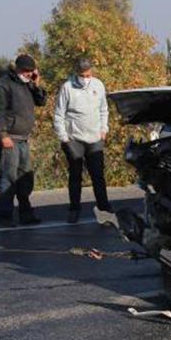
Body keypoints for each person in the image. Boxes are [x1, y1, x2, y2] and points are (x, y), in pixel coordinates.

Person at [0, 54, 47, 227]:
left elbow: (41, 101)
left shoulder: (28, 84)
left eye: (32, 71)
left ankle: (26, 214)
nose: (30, 74)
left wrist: (37, 84)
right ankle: (5, 216)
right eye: (28, 71)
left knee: (24, 178)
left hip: (23, 139)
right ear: (19, 69)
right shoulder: (4, 84)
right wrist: (3, 135)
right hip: (10, 138)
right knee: (8, 177)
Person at [53, 58, 112, 223]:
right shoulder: (67, 87)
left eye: (88, 74)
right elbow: (59, 114)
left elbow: (103, 109)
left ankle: (104, 207)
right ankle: (74, 209)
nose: (85, 78)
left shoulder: (98, 85)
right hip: (74, 139)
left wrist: (103, 129)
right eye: (82, 75)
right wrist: (64, 138)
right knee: (75, 175)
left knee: (98, 175)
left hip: (95, 138)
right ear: (76, 73)